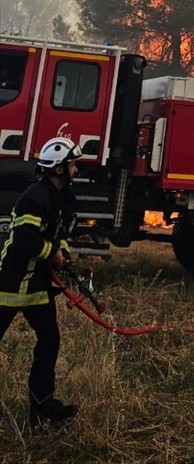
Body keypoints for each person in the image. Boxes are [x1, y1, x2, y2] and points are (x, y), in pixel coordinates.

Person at [0, 136, 82, 431]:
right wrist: (53, 254)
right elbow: (24, 239)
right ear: (59, 168)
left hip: (36, 287)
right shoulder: (34, 196)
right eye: (72, 164)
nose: (76, 169)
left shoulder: (57, 197)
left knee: (50, 341)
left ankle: (42, 408)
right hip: (9, 285)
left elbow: (55, 234)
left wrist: (65, 256)